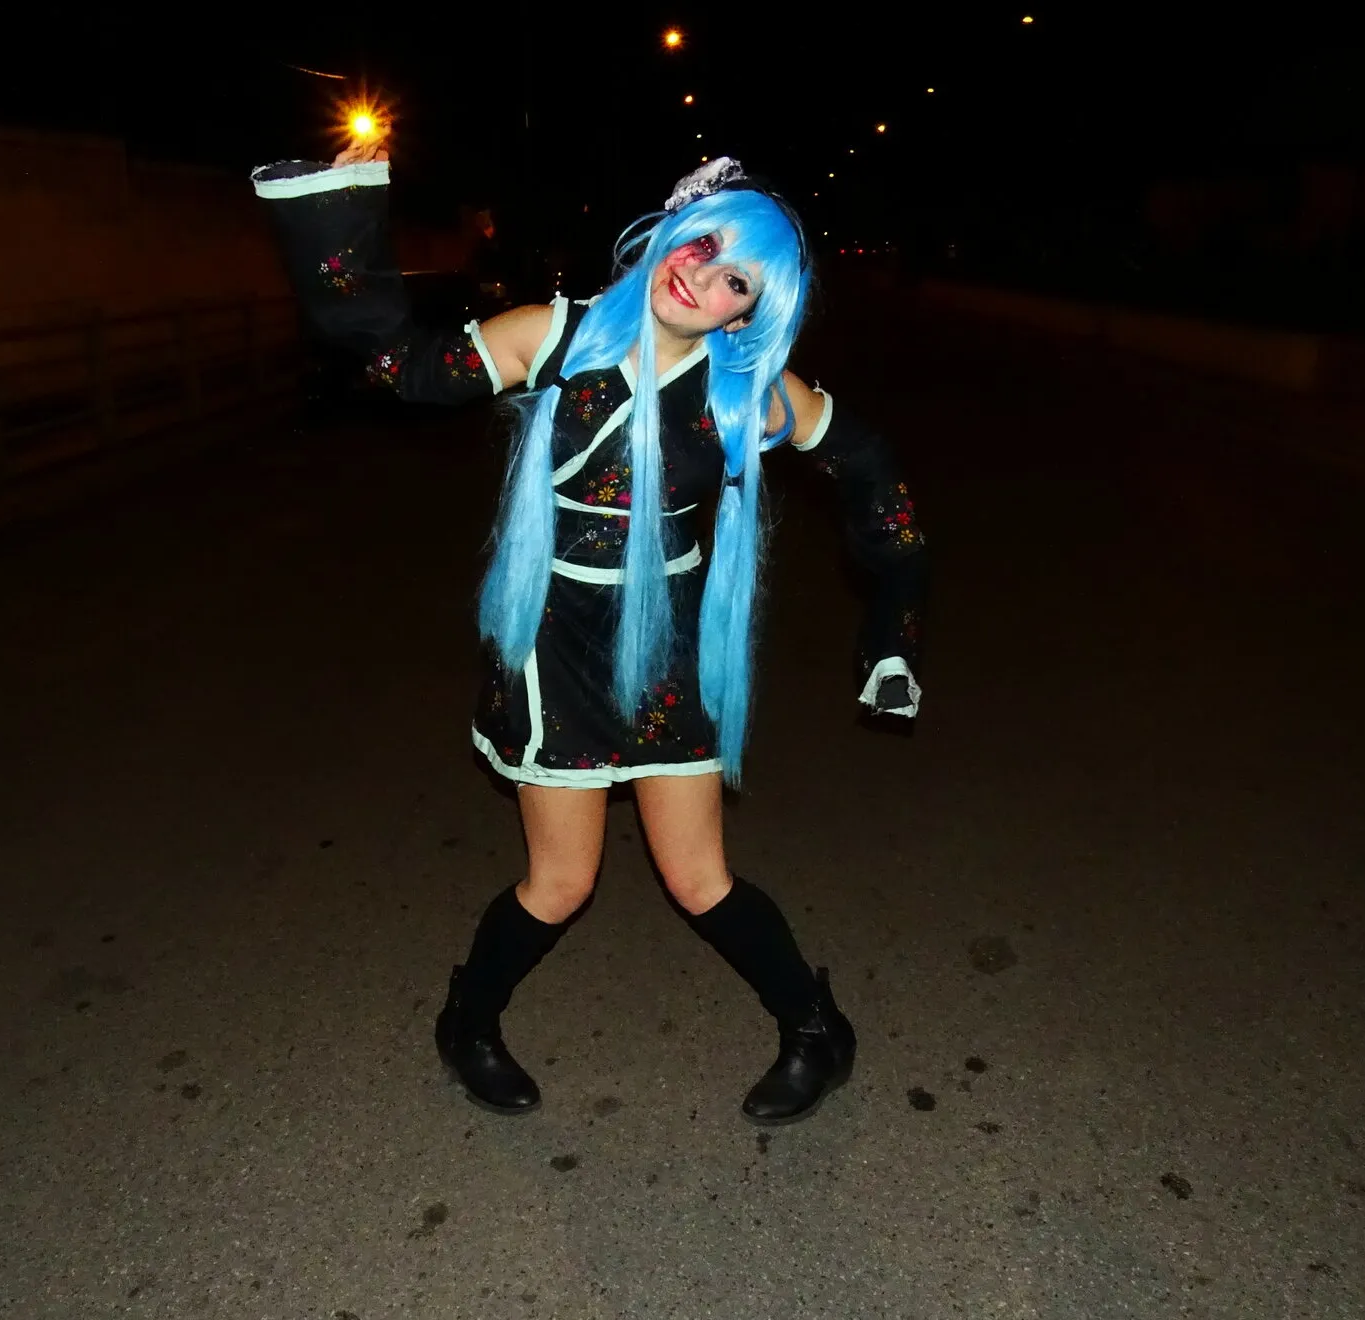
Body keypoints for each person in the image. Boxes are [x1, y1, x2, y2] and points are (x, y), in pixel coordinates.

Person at [254, 145, 928, 1125]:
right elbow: (403, 367)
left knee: (699, 879)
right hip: (555, 644)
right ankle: (468, 1023)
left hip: (668, 649)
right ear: (670, 233)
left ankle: (818, 1032)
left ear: (748, 312)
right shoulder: (553, 336)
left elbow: (869, 466)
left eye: (738, 280)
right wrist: (337, 211)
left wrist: (893, 624)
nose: (703, 277)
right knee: (561, 883)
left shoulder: (746, 390)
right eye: (704, 246)